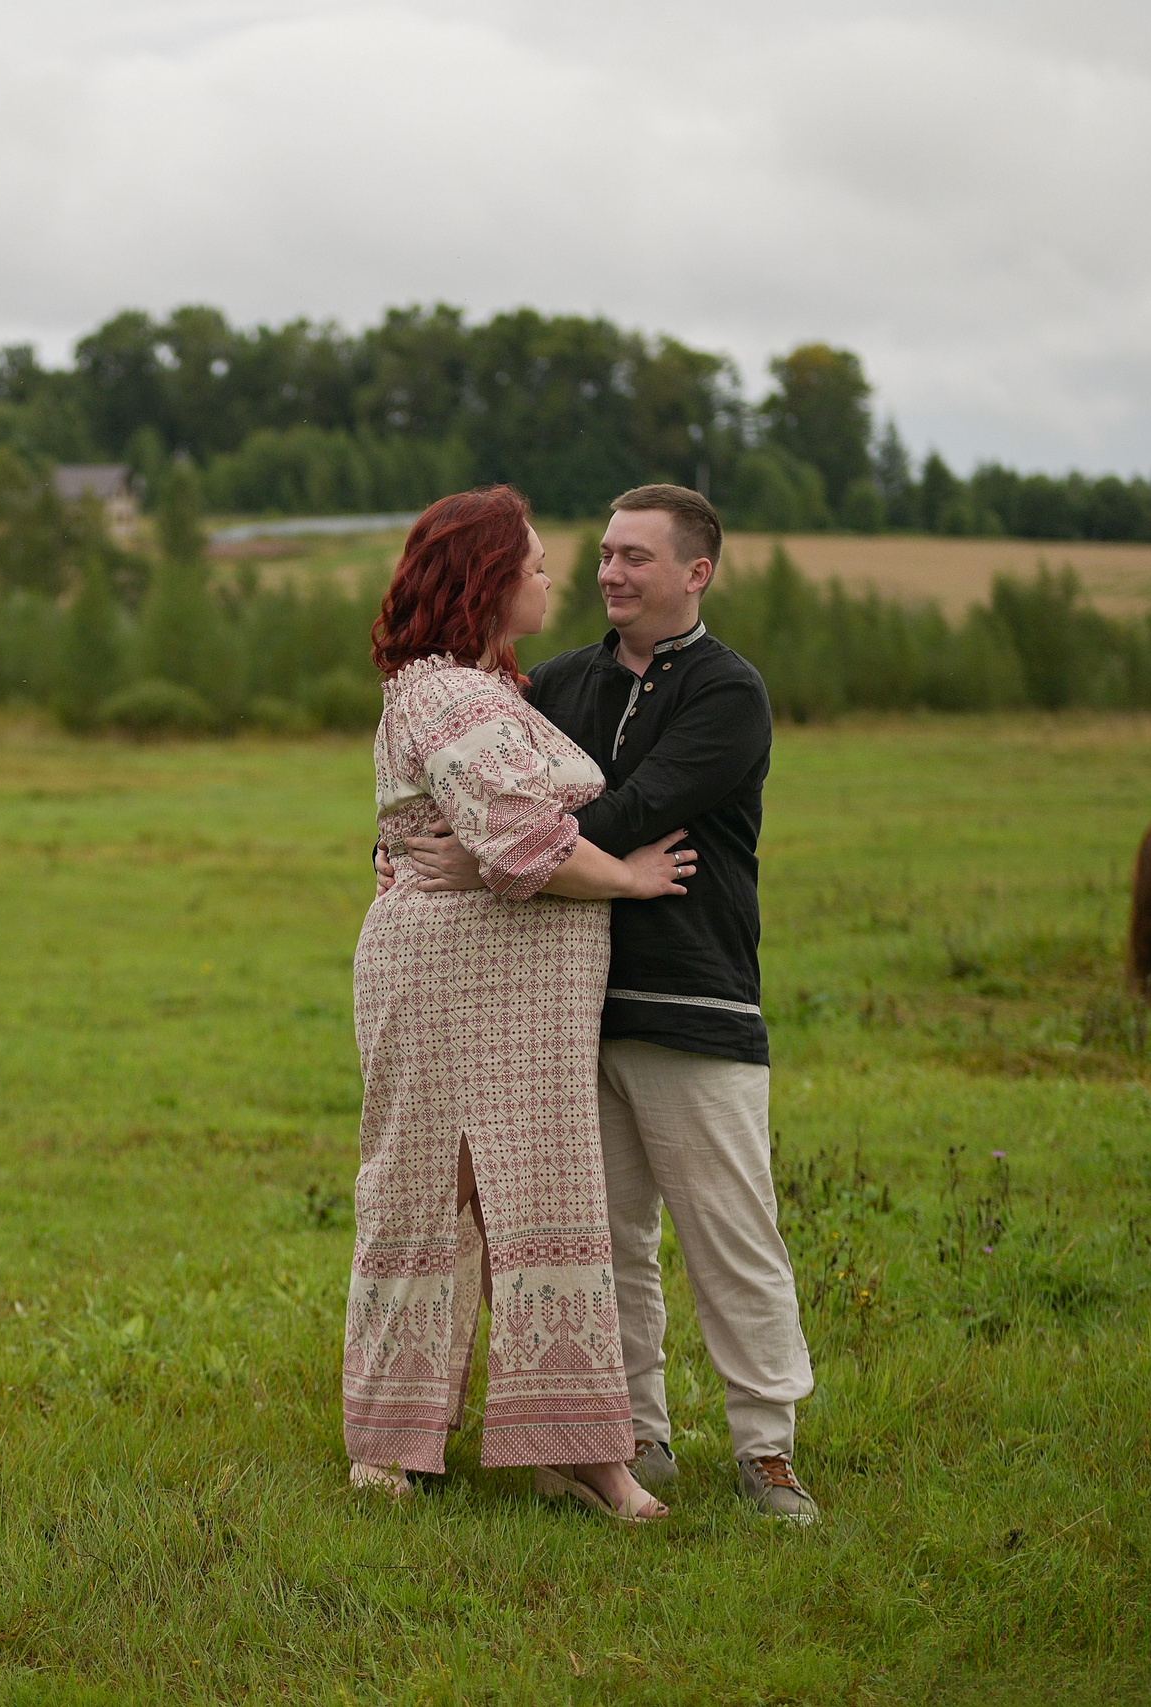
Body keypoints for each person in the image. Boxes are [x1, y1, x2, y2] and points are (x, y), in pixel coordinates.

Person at [387, 484, 819, 1523]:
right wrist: (460, 844)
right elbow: (480, 794)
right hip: (566, 1006)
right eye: (605, 554)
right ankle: (635, 1434)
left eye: (636, 557)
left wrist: (495, 856)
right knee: (605, 1238)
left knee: (731, 1234)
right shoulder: (556, 683)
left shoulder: (728, 694)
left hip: (692, 998)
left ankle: (767, 1450)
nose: (610, 573)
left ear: (695, 573)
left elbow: (629, 810)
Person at [347, 486, 696, 1522]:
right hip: (459, 978)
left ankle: (575, 1448)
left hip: (521, 990)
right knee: (432, 1183)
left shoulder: (483, 688)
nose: (555, 578)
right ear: (486, 580)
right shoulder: (443, 691)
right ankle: (391, 1440)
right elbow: (512, 837)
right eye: (537, 563)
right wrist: (628, 880)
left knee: (543, 1192)